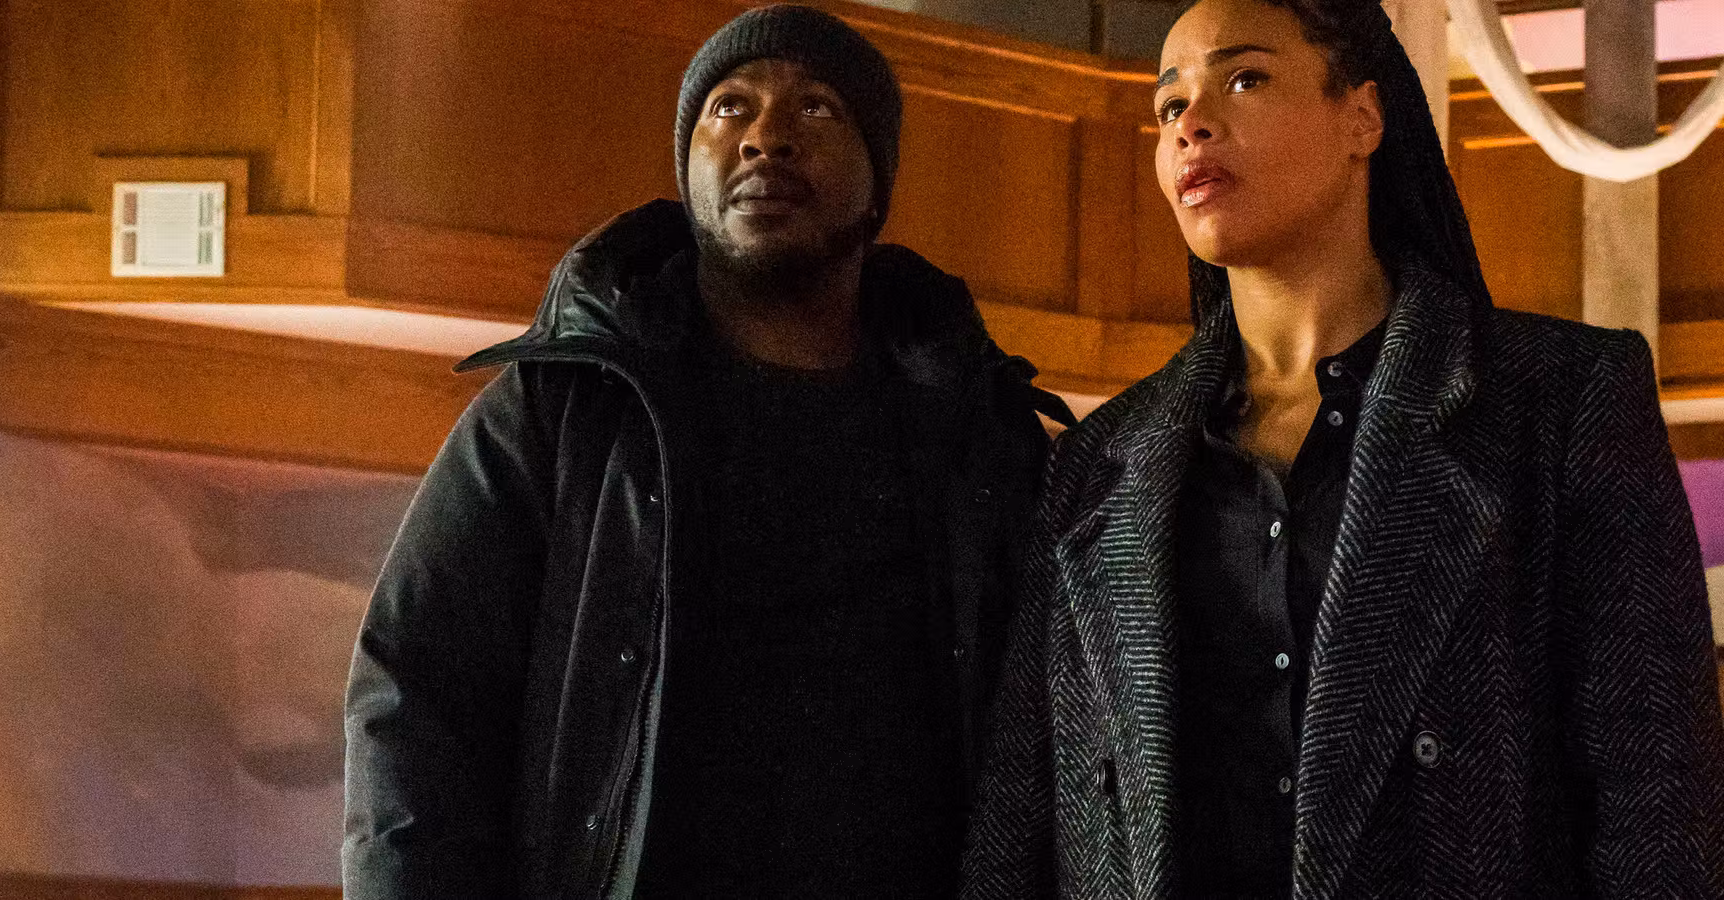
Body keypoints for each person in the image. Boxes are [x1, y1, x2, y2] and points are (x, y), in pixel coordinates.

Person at [962, 0, 1724, 896]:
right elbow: (1020, 819)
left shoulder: (1559, 402)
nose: (1190, 124)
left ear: (1361, 117)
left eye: (1244, 79)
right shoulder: (1097, 463)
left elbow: (1656, 802)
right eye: (1169, 106)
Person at [342, 5, 1072, 898]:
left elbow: (1051, 737)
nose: (767, 136)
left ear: (879, 181)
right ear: (687, 171)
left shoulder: (977, 431)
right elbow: (415, 692)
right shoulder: (566, 410)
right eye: (729, 108)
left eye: (816, 108)